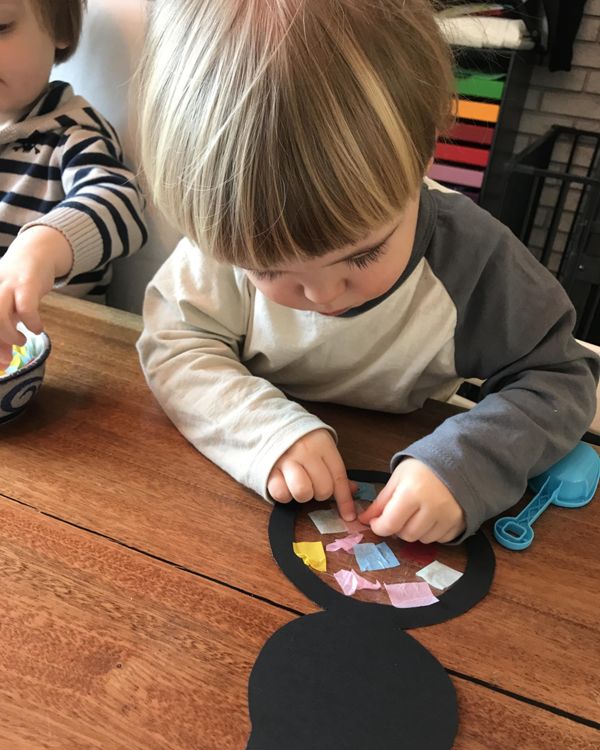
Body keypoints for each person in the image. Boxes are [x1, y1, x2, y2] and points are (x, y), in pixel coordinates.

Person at [136, 0, 599, 544]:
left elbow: (558, 379)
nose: (323, 295)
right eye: (267, 269)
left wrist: (468, 462)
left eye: (361, 256)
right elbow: (174, 343)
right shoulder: (225, 239)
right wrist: (262, 431)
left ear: (424, 152)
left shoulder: (474, 258)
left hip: (410, 460)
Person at [0, 0, 147, 368]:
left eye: (1, 28)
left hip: (59, 355)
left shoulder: (73, 135)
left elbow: (120, 204)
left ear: (59, 30)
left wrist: (39, 248)